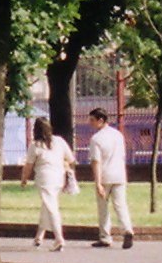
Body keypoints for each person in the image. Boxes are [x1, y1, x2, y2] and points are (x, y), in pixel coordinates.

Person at [20, 117, 76, 252]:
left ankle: (59, 239)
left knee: (51, 208)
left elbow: (28, 166)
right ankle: (39, 236)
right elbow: (71, 159)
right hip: (59, 178)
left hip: (45, 179)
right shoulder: (60, 141)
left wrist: (24, 179)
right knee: (47, 205)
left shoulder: (35, 145)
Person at [86, 107, 134, 249]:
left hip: (105, 176)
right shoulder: (118, 135)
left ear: (101, 120)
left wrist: (98, 183)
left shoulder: (96, 139)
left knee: (103, 207)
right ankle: (127, 230)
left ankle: (105, 236)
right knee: (120, 205)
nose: (90, 123)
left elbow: (96, 161)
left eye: (92, 120)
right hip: (119, 174)